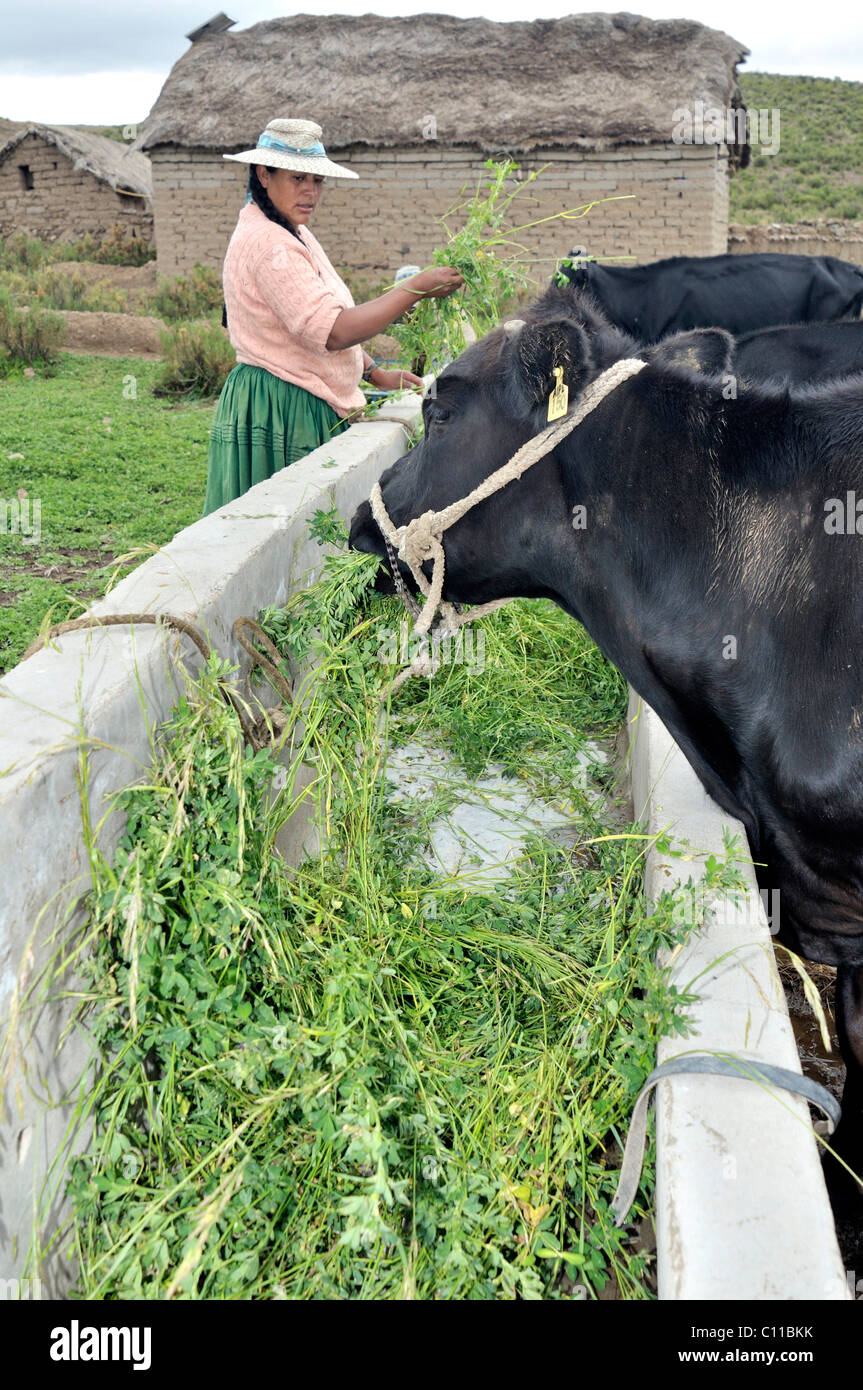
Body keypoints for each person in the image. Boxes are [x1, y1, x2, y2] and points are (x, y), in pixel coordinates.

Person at [203, 117, 464, 514]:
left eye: (318, 181)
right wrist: (415, 289)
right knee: (288, 528)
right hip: (283, 406)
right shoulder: (272, 245)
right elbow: (334, 331)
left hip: (299, 394)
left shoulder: (293, 230)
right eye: (298, 179)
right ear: (263, 174)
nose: (311, 192)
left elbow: (316, 318)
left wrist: (373, 372)